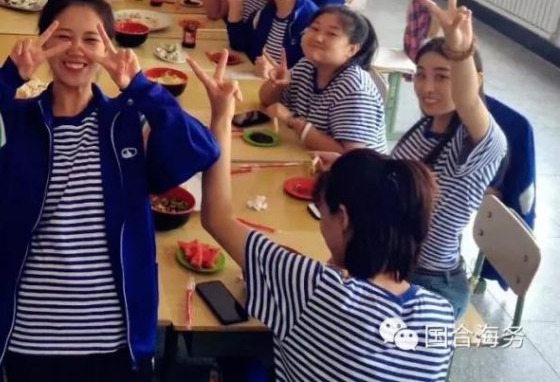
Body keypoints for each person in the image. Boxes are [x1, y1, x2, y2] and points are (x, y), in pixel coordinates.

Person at [0, 0, 218, 379]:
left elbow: (199, 148)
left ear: (108, 49)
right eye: (63, 36)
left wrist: (141, 88)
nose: (76, 50)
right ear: (43, 43)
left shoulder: (128, 125)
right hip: (29, 335)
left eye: (91, 39)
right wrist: (7, 77)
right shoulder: (11, 124)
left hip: (115, 337)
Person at [190, 51, 454, 382]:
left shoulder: (311, 287)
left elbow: (216, 218)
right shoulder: (441, 315)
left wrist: (221, 117)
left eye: (322, 210)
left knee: (241, 361)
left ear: (343, 218)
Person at [390, 0, 507, 319]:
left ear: (474, 79)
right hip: (394, 263)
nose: (427, 88)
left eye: (443, 77)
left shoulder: (477, 142)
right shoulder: (427, 127)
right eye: (421, 75)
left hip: (431, 284)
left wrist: (459, 49)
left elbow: (468, 99)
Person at [260, 6, 386, 153]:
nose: (318, 38)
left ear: (351, 49)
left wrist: (292, 120)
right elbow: (267, 102)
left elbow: (352, 156)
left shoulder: (354, 89)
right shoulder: (307, 65)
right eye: (314, 28)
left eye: (332, 34)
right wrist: (277, 84)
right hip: (304, 154)